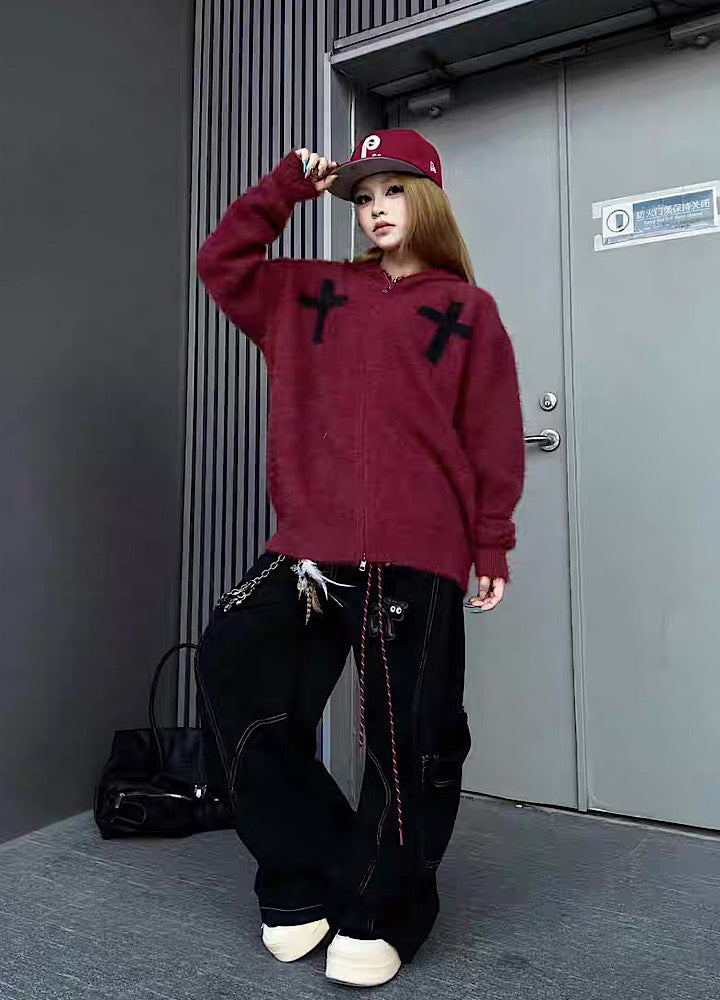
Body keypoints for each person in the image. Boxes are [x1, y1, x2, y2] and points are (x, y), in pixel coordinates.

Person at [193, 129, 525, 987]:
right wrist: (283, 190)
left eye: (394, 190)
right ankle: (302, 874)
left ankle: (384, 908)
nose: (376, 208)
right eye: (364, 195)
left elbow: (491, 434)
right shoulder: (310, 292)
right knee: (235, 666)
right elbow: (222, 264)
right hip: (311, 546)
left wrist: (491, 539)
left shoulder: (468, 311)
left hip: (419, 549)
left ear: (430, 199)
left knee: (408, 740)